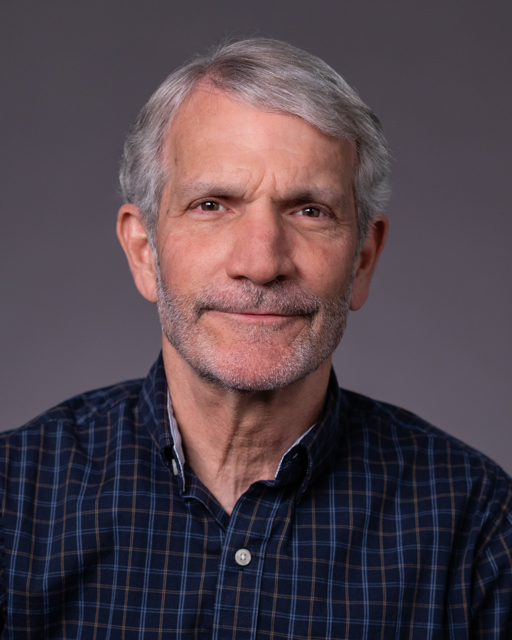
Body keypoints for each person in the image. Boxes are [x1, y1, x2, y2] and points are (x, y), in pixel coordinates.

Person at [1, 38, 510, 639]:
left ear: (363, 260)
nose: (262, 263)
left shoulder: (477, 529)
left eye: (309, 211)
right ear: (144, 252)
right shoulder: (14, 503)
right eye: (212, 205)